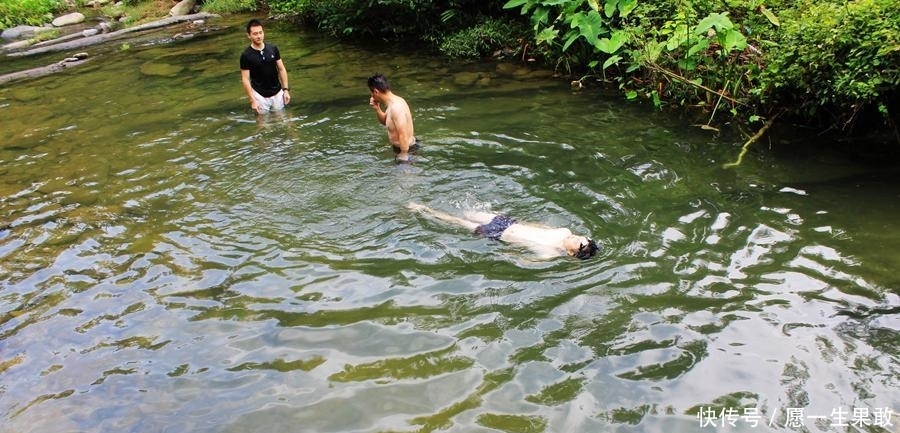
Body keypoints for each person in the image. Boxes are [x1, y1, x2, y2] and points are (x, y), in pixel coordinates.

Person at [407, 202, 599, 260]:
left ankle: (423, 210)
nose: (580, 236)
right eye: (584, 236)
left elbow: (525, 259)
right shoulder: (564, 231)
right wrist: (518, 221)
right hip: (507, 223)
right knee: (468, 211)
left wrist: (506, 253)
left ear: (571, 252)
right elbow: (538, 227)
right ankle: (437, 203)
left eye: (580, 242)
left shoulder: (548, 254)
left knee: (457, 221)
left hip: (498, 234)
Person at [240, 19, 290, 114]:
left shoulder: (273, 49)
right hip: (259, 95)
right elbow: (245, 79)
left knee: (283, 120)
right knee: (262, 125)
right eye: (255, 34)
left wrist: (286, 90)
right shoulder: (246, 55)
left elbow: (281, 69)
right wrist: (253, 100)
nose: (259, 36)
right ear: (249, 35)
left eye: (260, 32)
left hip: (278, 92)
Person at [368, 73, 417, 160]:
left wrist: (404, 158)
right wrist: (377, 109)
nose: (372, 96)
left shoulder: (396, 107)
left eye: (372, 93)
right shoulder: (393, 102)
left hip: (406, 151)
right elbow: (386, 122)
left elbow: (403, 135)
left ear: (376, 91)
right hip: (404, 148)